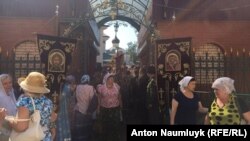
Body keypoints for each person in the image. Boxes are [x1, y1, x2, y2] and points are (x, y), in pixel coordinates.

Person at [6, 72, 57, 141]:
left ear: (26, 87)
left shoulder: (25, 102)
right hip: (45, 138)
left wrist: (9, 120)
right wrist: (52, 135)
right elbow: (52, 120)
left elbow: (21, 127)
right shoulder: (48, 101)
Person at [97, 73, 122, 141]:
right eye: (110, 78)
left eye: (112, 78)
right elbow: (99, 98)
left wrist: (121, 106)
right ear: (106, 79)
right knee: (106, 124)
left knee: (115, 124)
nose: (112, 80)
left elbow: (119, 96)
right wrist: (98, 108)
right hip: (105, 109)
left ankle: (115, 137)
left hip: (115, 108)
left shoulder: (117, 86)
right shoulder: (101, 88)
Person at [72, 74, 97, 141]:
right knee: (86, 129)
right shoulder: (91, 88)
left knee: (78, 129)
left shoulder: (77, 87)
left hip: (78, 111)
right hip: (87, 112)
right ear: (88, 80)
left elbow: (75, 99)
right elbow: (94, 100)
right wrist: (90, 111)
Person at [56, 75, 76, 141]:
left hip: (63, 108)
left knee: (61, 124)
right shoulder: (67, 88)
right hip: (65, 109)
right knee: (65, 124)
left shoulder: (64, 87)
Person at [0, 74, 17, 141]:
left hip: (12, 126)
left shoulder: (11, 93)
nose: (9, 85)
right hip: (3, 128)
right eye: (5, 83)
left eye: (10, 82)